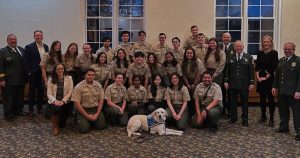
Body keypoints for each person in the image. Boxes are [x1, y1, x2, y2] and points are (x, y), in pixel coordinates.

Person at [272, 42, 300, 141]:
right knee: (283, 111)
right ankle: (284, 127)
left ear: (293, 50)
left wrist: (298, 91)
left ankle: (299, 132)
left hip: (293, 92)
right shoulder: (282, 60)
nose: (287, 51)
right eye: (285, 49)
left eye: (289, 49)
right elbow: (277, 75)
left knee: (297, 113)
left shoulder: (298, 61)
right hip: (282, 91)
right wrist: (274, 86)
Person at [224, 40, 254, 127]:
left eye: (240, 46)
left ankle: (245, 119)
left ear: (243, 47)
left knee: (245, 102)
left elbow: (251, 71)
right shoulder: (230, 57)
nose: (238, 48)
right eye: (237, 46)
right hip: (232, 83)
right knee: (233, 102)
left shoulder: (249, 57)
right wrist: (226, 81)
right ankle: (234, 117)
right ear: (234, 47)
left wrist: (252, 82)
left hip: (244, 84)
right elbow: (227, 70)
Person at [71, 68, 106, 133]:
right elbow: (76, 103)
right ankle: (81, 119)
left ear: (94, 76)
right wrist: (87, 116)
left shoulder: (98, 85)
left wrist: (97, 114)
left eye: (92, 75)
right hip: (83, 109)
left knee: (101, 126)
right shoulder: (79, 86)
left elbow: (101, 100)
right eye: (89, 75)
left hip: (95, 109)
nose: (91, 76)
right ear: (85, 75)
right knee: (83, 129)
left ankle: (90, 121)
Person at [0, 34, 26, 121]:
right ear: (7, 41)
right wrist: (2, 79)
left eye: (14, 39)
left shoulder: (21, 49)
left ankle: (18, 111)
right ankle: (8, 113)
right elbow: (0, 66)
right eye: (11, 39)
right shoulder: (3, 51)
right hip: (9, 80)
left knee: (19, 97)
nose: (13, 41)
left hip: (20, 79)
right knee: (9, 98)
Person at [24, 30, 49, 118]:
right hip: (33, 73)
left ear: (42, 36)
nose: (39, 37)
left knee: (41, 92)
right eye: (37, 36)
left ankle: (39, 108)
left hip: (43, 73)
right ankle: (31, 110)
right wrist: (29, 73)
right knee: (32, 92)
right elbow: (25, 61)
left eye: (40, 35)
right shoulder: (29, 47)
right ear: (34, 37)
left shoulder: (46, 47)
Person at [255, 35, 278, 126]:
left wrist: (266, 77)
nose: (266, 43)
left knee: (270, 99)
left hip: (269, 79)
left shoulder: (274, 53)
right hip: (260, 79)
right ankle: (263, 116)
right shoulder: (260, 53)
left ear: (271, 43)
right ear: (262, 43)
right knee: (262, 99)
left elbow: (274, 67)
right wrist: (257, 77)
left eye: (268, 42)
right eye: (264, 42)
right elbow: (257, 67)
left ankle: (271, 119)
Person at [47, 64, 73, 136]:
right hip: (54, 101)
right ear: (55, 70)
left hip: (65, 101)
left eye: (62, 68)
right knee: (56, 108)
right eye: (58, 69)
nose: (60, 70)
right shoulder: (51, 79)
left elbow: (70, 91)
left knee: (62, 125)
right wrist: (55, 101)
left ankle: (59, 123)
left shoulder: (69, 78)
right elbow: (49, 94)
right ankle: (55, 126)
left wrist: (63, 101)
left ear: (64, 69)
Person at [181, 47, 205, 118]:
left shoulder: (198, 61)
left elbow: (199, 73)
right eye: (187, 53)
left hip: (196, 81)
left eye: (191, 53)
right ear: (185, 54)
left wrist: (194, 84)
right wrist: (187, 84)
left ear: (193, 54)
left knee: (195, 97)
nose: (189, 54)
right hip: (187, 81)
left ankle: (196, 114)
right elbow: (183, 74)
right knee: (188, 97)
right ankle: (189, 114)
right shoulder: (183, 62)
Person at [219, 32, 234, 118]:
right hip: (221, 74)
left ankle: (230, 111)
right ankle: (222, 110)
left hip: (230, 75)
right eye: (224, 37)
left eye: (228, 37)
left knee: (231, 94)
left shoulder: (233, 48)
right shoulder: (219, 47)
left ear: (230, 38)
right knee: (222, 93)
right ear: (222, 38)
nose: (226, 39)